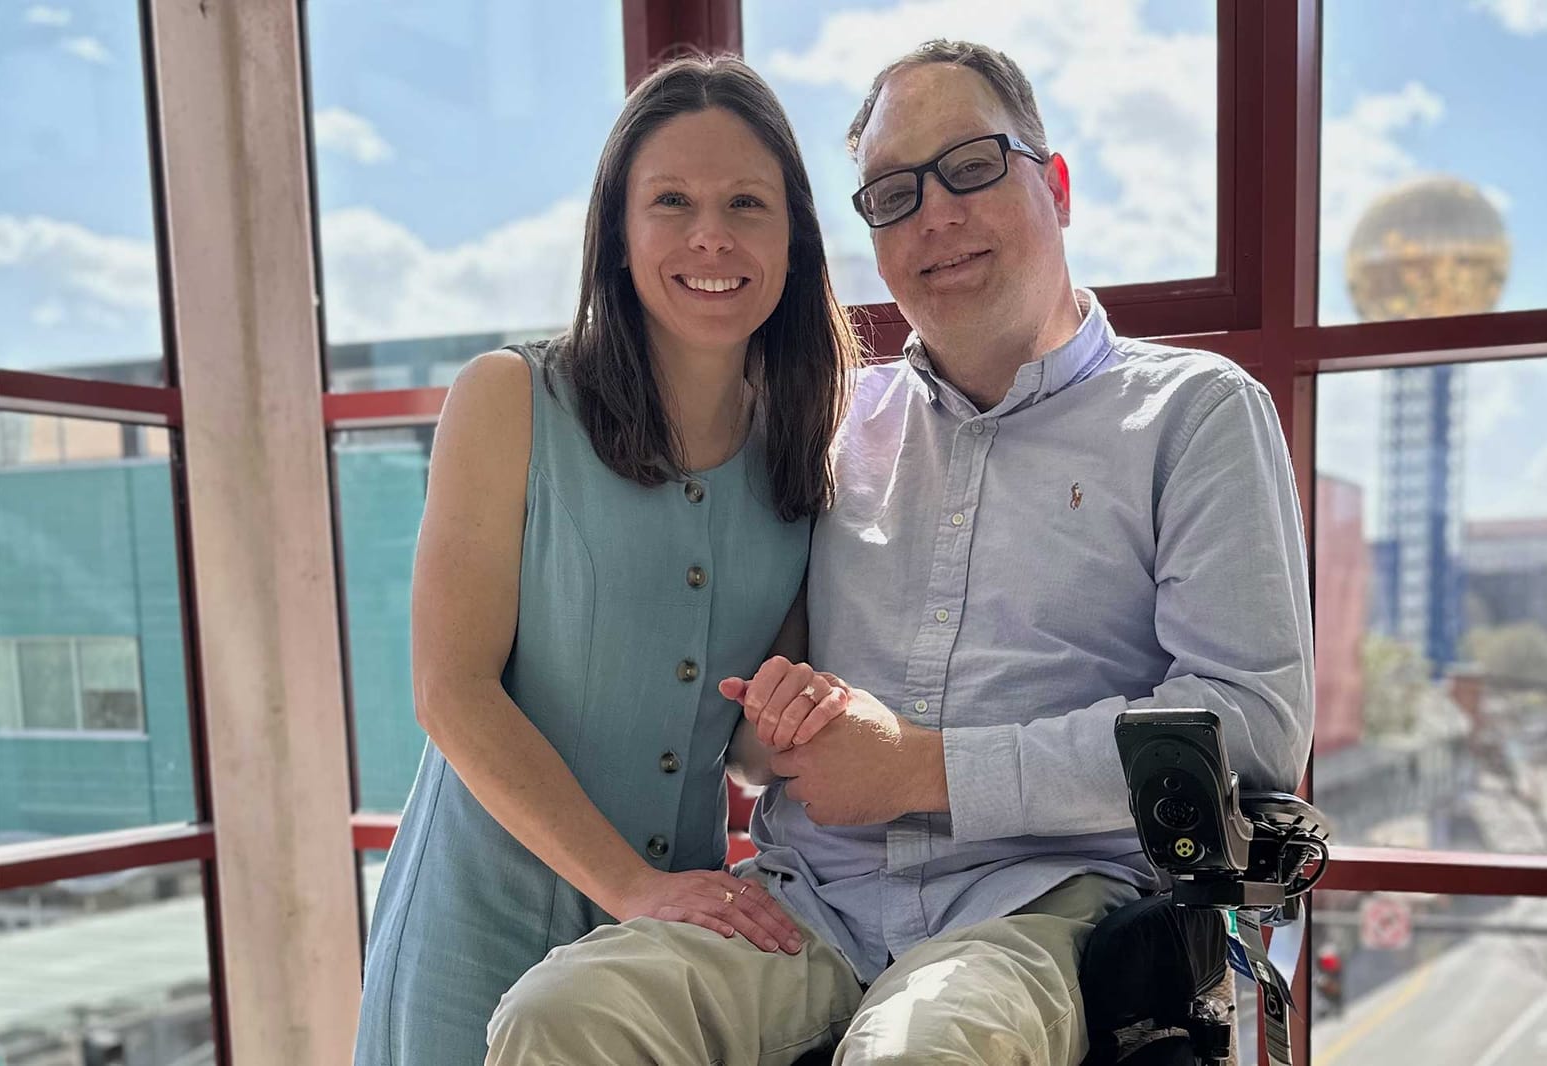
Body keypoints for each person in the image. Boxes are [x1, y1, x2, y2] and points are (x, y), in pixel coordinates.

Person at [486, 39, 1312, 1065]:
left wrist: (928, 769)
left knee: (915, 1054)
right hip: (809, 902)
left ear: (1053, 184)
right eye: (891, 193)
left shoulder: (1193, 414)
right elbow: (759, 731)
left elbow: (1250, 728)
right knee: (557, 1016)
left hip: (1032, 907)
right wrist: (783, 714)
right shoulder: (827, 429)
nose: (935, 215)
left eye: (970, 167)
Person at [353, 54, 859, 1065]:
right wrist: (629, 886)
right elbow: (448, 689)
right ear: (617, 235)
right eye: (670, 200)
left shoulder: (804, 448)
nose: (710, 234)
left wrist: (797, 711)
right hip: (474, 935)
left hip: (668, 964)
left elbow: (751, 755)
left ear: (794, 240)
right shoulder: (507, 400)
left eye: (746, 203)